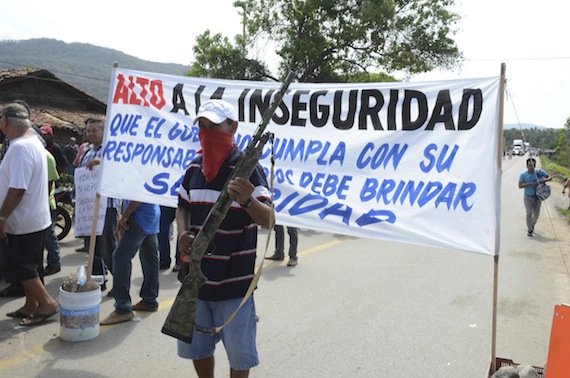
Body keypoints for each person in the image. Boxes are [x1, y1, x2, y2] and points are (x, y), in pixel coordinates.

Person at [176, 99, 273, 378]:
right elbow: (182, 204)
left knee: (240, 356)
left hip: (234, 283)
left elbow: (268, 219)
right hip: (195, 279)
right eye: (203, 127)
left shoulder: (248, 169)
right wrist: (182, 232)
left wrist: (248, 201)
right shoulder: (194, 167)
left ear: (233, 127)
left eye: (214, 127)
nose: (207, 133)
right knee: (198, 349)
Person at [0, 102, 59, 326]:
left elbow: (17, 189)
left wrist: (2, 218)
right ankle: (31, 304)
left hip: (22, 220)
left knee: (19, 265)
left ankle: (46, 303)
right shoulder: (34, 142)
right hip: (36, 217)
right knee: (31, 265)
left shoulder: (19, 148)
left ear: (5, 122)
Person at [99, 201, 160, 325]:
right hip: (150, 213)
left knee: (120, 257)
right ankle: (149, 300)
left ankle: (123, 308)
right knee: (149, 256)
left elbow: (137, 194)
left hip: (139, 215)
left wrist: (125, 215)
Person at [76, 118, 120, 290]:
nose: (90, 134)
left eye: (94, 130)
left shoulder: (110, 150)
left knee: (108, 246)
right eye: (88, 131)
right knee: (92, 249)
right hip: (89, 206)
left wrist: (101, 163)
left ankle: (120, 283)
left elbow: (117, 169)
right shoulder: (86, 151)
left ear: (103, 131)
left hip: (107, 206)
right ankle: (97, 282)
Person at [518, 157, 552, 237]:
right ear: (526, 166)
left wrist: (543, 181)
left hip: (538, 197)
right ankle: (529, 229)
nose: (531, 167)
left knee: (536, 214)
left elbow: (550, 177)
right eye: (529, 165)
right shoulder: (523, 175)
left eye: (533, 165)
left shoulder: (539, 172)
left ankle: (532, 224)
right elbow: (520, 185)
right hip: (528, 197)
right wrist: (530, 184)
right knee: (529, 213)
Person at [43, 150, 62, 275]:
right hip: (36, 203)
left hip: (46, 202)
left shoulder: (47, 157)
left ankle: (55, 263)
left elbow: (49, 184)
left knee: (49, 234)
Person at [158, 205, 181, 272]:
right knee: (161, 229)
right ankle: (164, 259)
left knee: (182, 229)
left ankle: (179, 260)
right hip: (168, 199)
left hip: (182, 199)